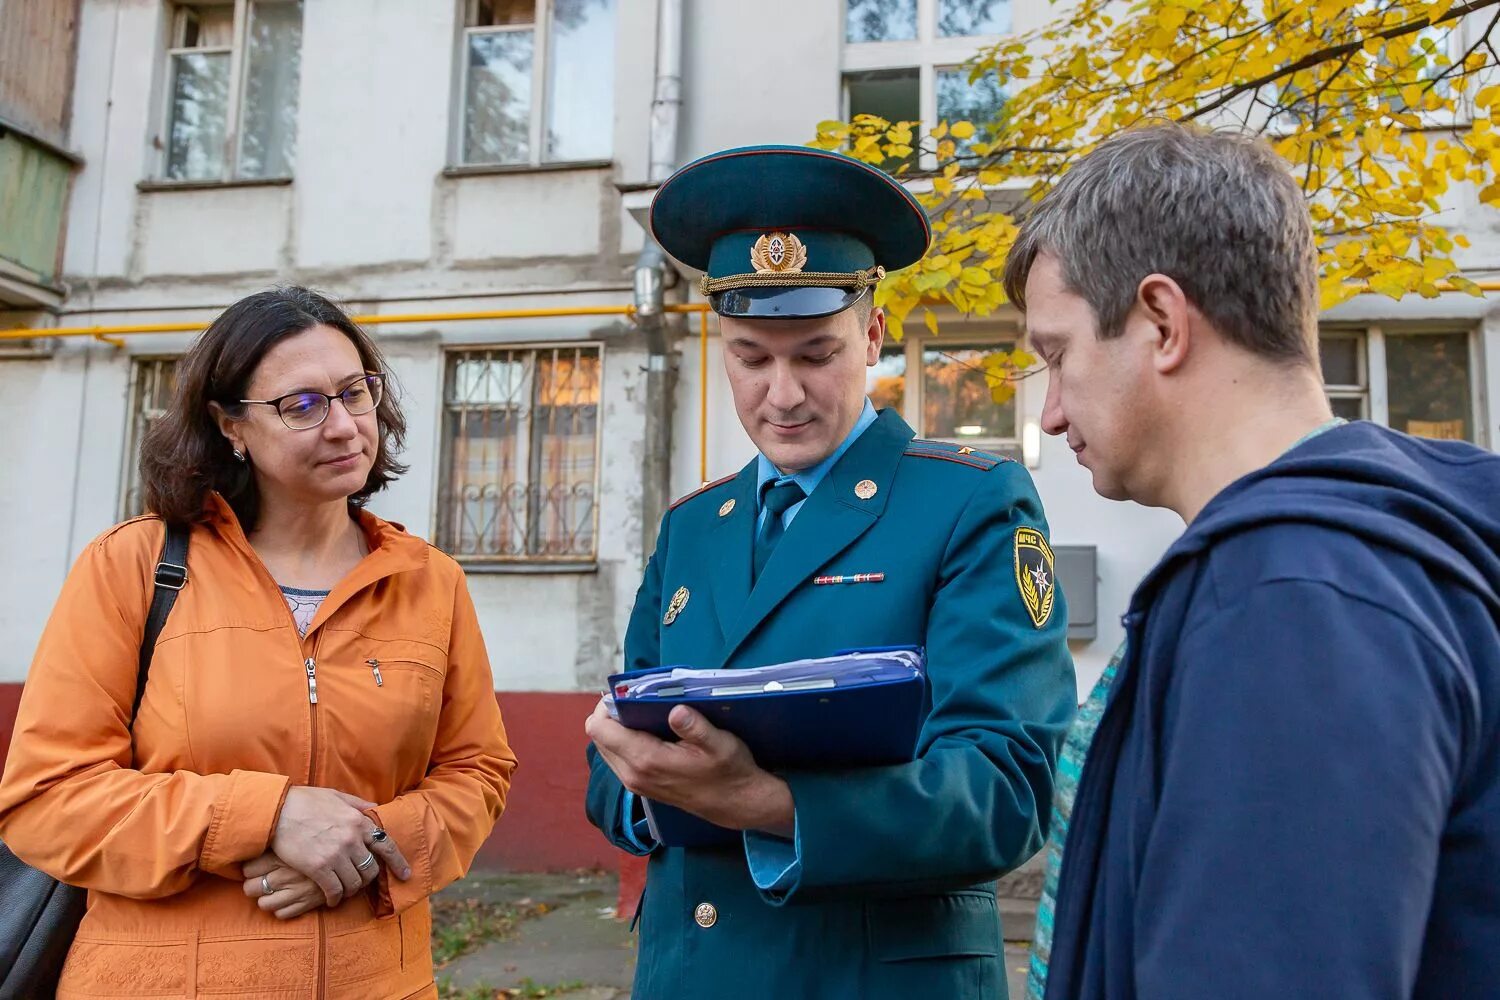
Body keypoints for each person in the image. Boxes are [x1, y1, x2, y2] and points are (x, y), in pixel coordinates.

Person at [1006, 123, 1500, 1000]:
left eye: (1058, 355)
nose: (1048, 413)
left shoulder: (1291, 595)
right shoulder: (1380, 537)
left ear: (1160, 322)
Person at [583, 144, 1077, 999]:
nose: (782, 394)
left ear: (873, 337)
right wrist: (650, 789)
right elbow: (614, 751)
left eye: (815, 354)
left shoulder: (969, 502)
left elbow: (1008, 785)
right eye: (749, 357)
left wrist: (769, 804)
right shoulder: (694, 527)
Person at [0, 286, 518, 999]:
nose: (344, 426)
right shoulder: (135, 567)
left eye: (355, 392)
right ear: (230, 426)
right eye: (302, 406)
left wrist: (365, 846)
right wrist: (265, 818)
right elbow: (47, 799)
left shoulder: (428, 582)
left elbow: (477, 771)